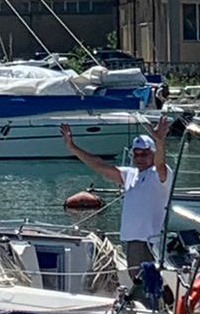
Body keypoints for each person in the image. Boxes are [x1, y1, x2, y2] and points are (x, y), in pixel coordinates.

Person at [60, 115, 171, 275]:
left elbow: (160, 164)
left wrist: (160, 142)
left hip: (148, 242)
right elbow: (99, 165)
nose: (139, 158)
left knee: (146, 283)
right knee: (136, 279)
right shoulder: (130, 174)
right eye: (136, 154)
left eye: (144, 154)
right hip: (132, 240)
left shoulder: (158, 175)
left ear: (153, 154)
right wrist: (73, 148)